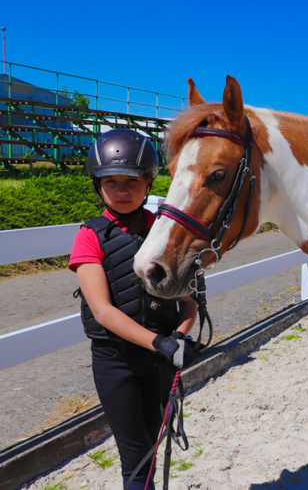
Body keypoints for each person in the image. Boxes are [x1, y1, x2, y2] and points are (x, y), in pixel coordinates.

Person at [69, 129, 198, 490]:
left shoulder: (165, 233)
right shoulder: (90, 236)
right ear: (99, 185)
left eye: (132, 181)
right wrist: (161, 343)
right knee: (136, 459)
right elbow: (103, 310)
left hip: (160, 360)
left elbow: (189, 303)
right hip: (117, 361)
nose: (122, 191)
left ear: (148, 183)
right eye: (111, 182)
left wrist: (180, 337)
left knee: (154, 449)